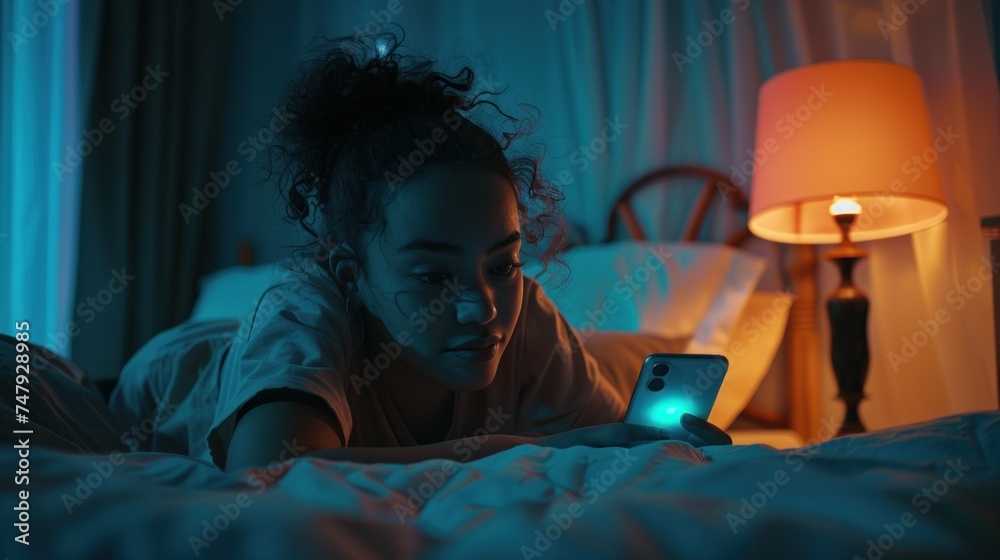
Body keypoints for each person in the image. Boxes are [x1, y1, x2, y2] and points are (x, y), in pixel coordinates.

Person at [211, 29, 730, 472]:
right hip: (177, 372)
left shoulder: (525, 317)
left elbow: (610, 447)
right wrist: (536, 451)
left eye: (502, 264)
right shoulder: (303, 316)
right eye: (434, 276)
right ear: (351, 274)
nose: (483, 308)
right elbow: (272, 472)